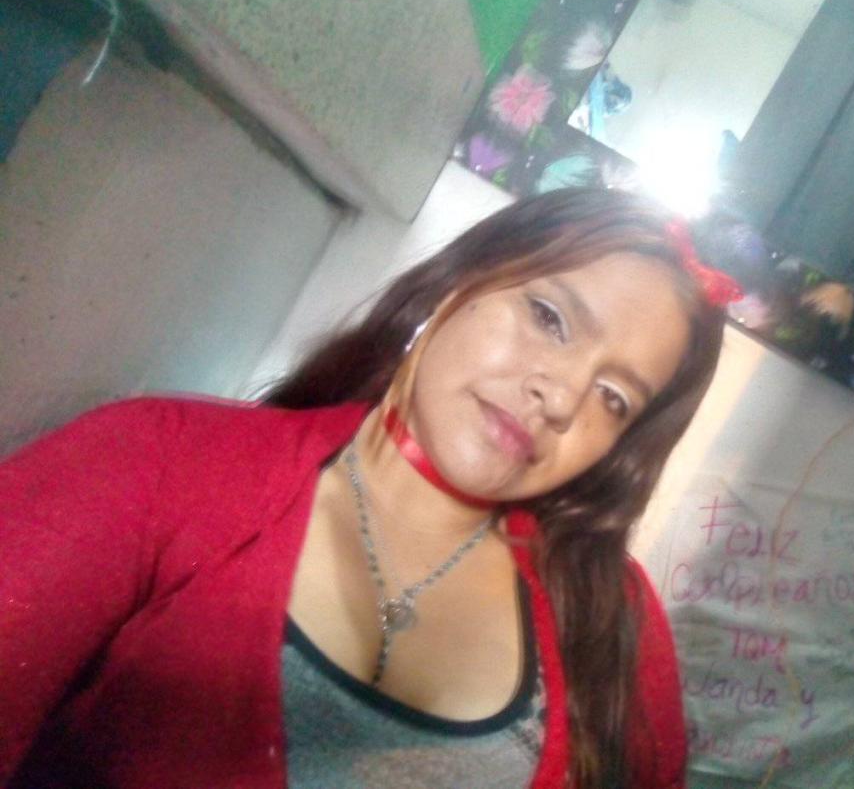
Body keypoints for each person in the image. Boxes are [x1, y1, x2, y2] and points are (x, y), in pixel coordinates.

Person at [0, 187, 739, 788]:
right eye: (548, 318)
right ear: (459, 285)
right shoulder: (162, 460)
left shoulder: (614, 622)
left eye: (614, 397)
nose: (563, 397)